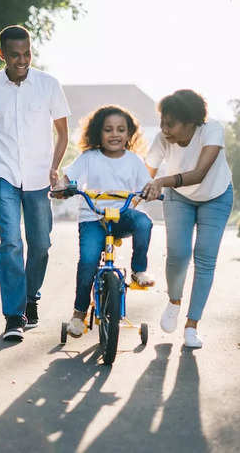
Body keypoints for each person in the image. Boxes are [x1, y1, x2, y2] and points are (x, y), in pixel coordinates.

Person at [0, 25, 70, 342]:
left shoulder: (48, 85)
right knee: (11, 242)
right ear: (2, 54)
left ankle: (31, 299)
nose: (22, 60)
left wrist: (55, 168)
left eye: (27, 53)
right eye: (15, 55)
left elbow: (63, 133)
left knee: (40, 245)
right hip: (3, 175)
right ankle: (14, 316)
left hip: (40, 176)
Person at [142, 89, 233, 349]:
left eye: (170, 123)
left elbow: (200, 173)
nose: (164, 128)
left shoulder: (211, 130)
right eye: (162, 122)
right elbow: (145, 173)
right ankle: (174, 301)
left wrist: (162, 181)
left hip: (216, 195)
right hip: (179, 198)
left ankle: (192, 326)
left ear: (191, 121)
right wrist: (138, 193)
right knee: (178, 254)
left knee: (205, 257)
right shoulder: (162, 139)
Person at [54, 105, 155, 338]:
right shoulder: (89, 158)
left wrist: (151, 191)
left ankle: (139, 270)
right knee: (89, 261)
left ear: (129, 134)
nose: (115, 134)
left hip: (122, 216)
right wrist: (62, 186)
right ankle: (79, 314)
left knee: (144, 223)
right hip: (93, 217)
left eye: (121, 129)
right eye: (108, 129)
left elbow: (146, 186)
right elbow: (68, 178)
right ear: (98, 133)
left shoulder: (134, 161)